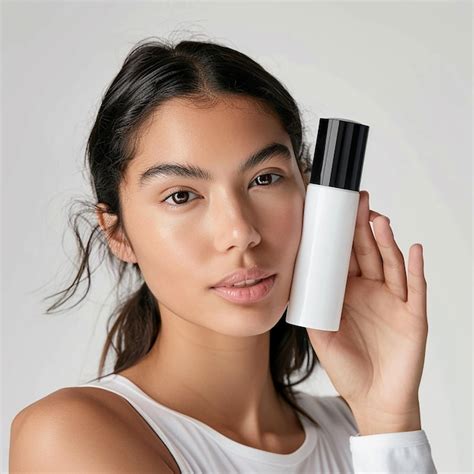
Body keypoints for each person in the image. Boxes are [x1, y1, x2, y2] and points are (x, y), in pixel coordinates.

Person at [9, 37, 437, 473]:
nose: (241, 233)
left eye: (265, 179)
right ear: (118, 233)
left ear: (315, 196)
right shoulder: (72, 436)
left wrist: (388, 420)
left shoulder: (361, 432)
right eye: (181, 196)